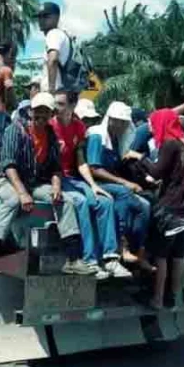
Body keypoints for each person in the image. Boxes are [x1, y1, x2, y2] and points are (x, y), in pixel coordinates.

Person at [0, 93, 83, 265]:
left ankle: (74, 259)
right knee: (13, 200)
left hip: (34, 183)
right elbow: (8, 165)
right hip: (9, 180)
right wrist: (23, 193)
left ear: (51, 114)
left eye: (45, 112)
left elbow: (55, 167)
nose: (41, 115)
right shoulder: (15, 130)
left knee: (65, 200)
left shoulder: (51, 135)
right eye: (38, 111)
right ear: (31, 111)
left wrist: (56, 186)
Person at [125, 109, 184, 309]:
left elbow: (157, 171)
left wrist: (138, 157)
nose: (150, 127)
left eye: (153, 122)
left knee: (160, 254)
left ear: (162, 122)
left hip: (170, 206)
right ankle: (172, 297)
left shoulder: (169, 144)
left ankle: (157, 298)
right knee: (178, 254)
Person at [51, 91, 121, 277]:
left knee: (105, 201)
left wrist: (93, 185)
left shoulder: (78, 127)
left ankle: (110, 258)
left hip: (73, 178)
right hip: (55, 177)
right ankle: (89, 260)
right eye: (55, 103)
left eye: (60, 104)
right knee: (81, 202)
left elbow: (81, 160)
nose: (55, 108)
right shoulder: (51, 126)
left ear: (72, 106)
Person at [86, 102, 151, 270]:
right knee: (123, 192)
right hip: (95, 183)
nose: (121, 125)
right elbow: (94, 169)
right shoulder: (97, 136)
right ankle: (121, 244)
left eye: (124, 122)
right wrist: (124, 182)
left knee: (145, 205)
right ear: (110, 119)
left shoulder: (115, 139)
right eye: (118, 121)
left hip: (110, 182)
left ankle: (139, 251)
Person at [37, 2, 71, 94]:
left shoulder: (53, 34)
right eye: (39, 17)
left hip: (56, 92)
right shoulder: (62, 34)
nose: (41, 20)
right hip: (64, 92)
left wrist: (51, 91)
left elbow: (53, 60)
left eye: (46, 16)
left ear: (57, 17)